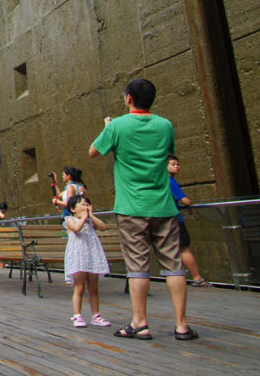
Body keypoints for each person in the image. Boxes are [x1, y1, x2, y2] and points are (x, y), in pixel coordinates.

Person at [89, 78, 198, 341]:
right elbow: (168, 152)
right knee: (173, 265)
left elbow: (93, 152)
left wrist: (108, 128)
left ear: (128, 98)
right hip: (163, 206)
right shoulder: (165, 125)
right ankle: (182, 326)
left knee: (138, 266)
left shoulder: (117, 126)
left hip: (131, 207)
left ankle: (140, 323)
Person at [63, 194, 111, 328]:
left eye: (87, 204)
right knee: (79, 287)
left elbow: (103, 227)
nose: (85, 207)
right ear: (73, 209)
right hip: (79, 256)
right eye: (82, 204)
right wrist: (84, 217)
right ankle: (77, 314)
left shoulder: (91, 221)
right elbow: (76, 229)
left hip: (92, 254)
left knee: (93, 287)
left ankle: (96, 314)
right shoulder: (70, 219)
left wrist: (92, 216)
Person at [167, 156, 209, 287]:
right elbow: (184, 200)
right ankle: (197, 277)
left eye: (178, 164)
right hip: (175, 219)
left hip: (164, 220)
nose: (177, 167)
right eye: (173, 164)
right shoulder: (169, 181)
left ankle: (177, 276)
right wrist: (190, 205)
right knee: (184, 249)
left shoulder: (159, 182)